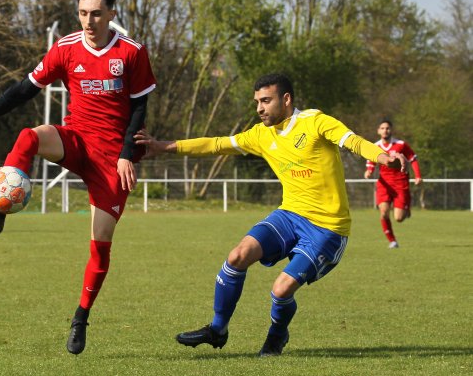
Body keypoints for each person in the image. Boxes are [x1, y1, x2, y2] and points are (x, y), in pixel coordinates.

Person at [0, 0, 156, 355]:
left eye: (96, 14)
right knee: (29, 136)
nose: (88, 21)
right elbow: (24, 89)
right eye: (82, 13)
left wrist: (126, 153)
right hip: (76, 141)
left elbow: (140, 106)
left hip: (111, 160)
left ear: (112, 14)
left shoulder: (132, 53)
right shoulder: (66, 48)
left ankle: (80, 318)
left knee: (100, 246)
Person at [135, 73, 406, 356]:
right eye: (257, 102)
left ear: (286, 99)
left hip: (328, 228)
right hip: (289, 216)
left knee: (280, 290)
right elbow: (217, 144)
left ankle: (277, 335)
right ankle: (217, 329)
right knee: (237, 256)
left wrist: (383, 157)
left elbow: (353, 141)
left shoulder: (315, 121)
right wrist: (165, 146)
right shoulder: (261, 135)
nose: (259, 108)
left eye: (266, 101)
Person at [364, 120, 422, 249]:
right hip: (384, 184)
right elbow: (371, 161)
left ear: (391, 130)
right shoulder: (375, 146)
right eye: (382, 128)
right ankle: (392, 241)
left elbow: (413, 159)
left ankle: (406, 206)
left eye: (388, 128)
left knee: (399, 218)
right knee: (384, 212)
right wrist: (369, 171)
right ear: (378, 131)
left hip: (400, 183)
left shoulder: (401, 145)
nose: (385, 130)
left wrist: (418, 175)